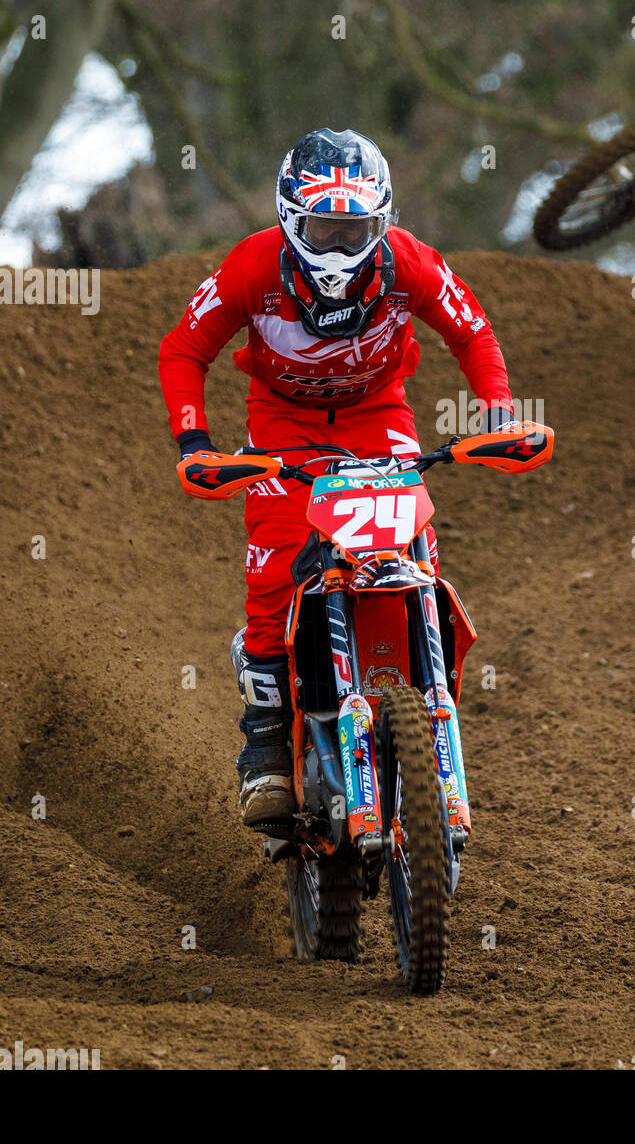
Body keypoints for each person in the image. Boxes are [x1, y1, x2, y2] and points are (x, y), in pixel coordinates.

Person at [159, 128, 518, 827]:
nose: (338, 247)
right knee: (273, 563)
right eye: (323, 228)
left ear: (381, 222)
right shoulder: (252, 266)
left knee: (417, 549)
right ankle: (265, 747)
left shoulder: (409, 262)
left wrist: (499, 415)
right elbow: (184, 348)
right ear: (291, 219)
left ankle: (427, 694)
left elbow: (470, 331)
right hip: (282, 421)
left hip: (375, 413)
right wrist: (195, 443)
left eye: (353, 229)